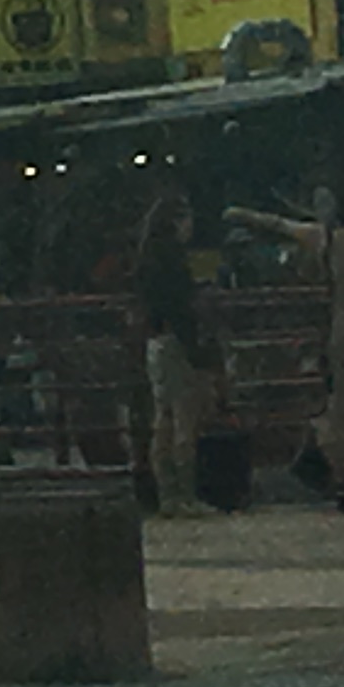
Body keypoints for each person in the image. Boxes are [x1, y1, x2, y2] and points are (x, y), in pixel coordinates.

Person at [230, 185, 344, 510]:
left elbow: (280, 225)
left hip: (339, 328)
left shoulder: (326, 237)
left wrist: (242, 214)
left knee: (340, 408)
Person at [133, 190, 214, 517]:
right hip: (176, 342)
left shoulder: (146, 258)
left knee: (162, 421)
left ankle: (167, 495)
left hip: (156, 342)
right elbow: (182, 309)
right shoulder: (173, 260)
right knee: (184, 421)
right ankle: (186, 493)